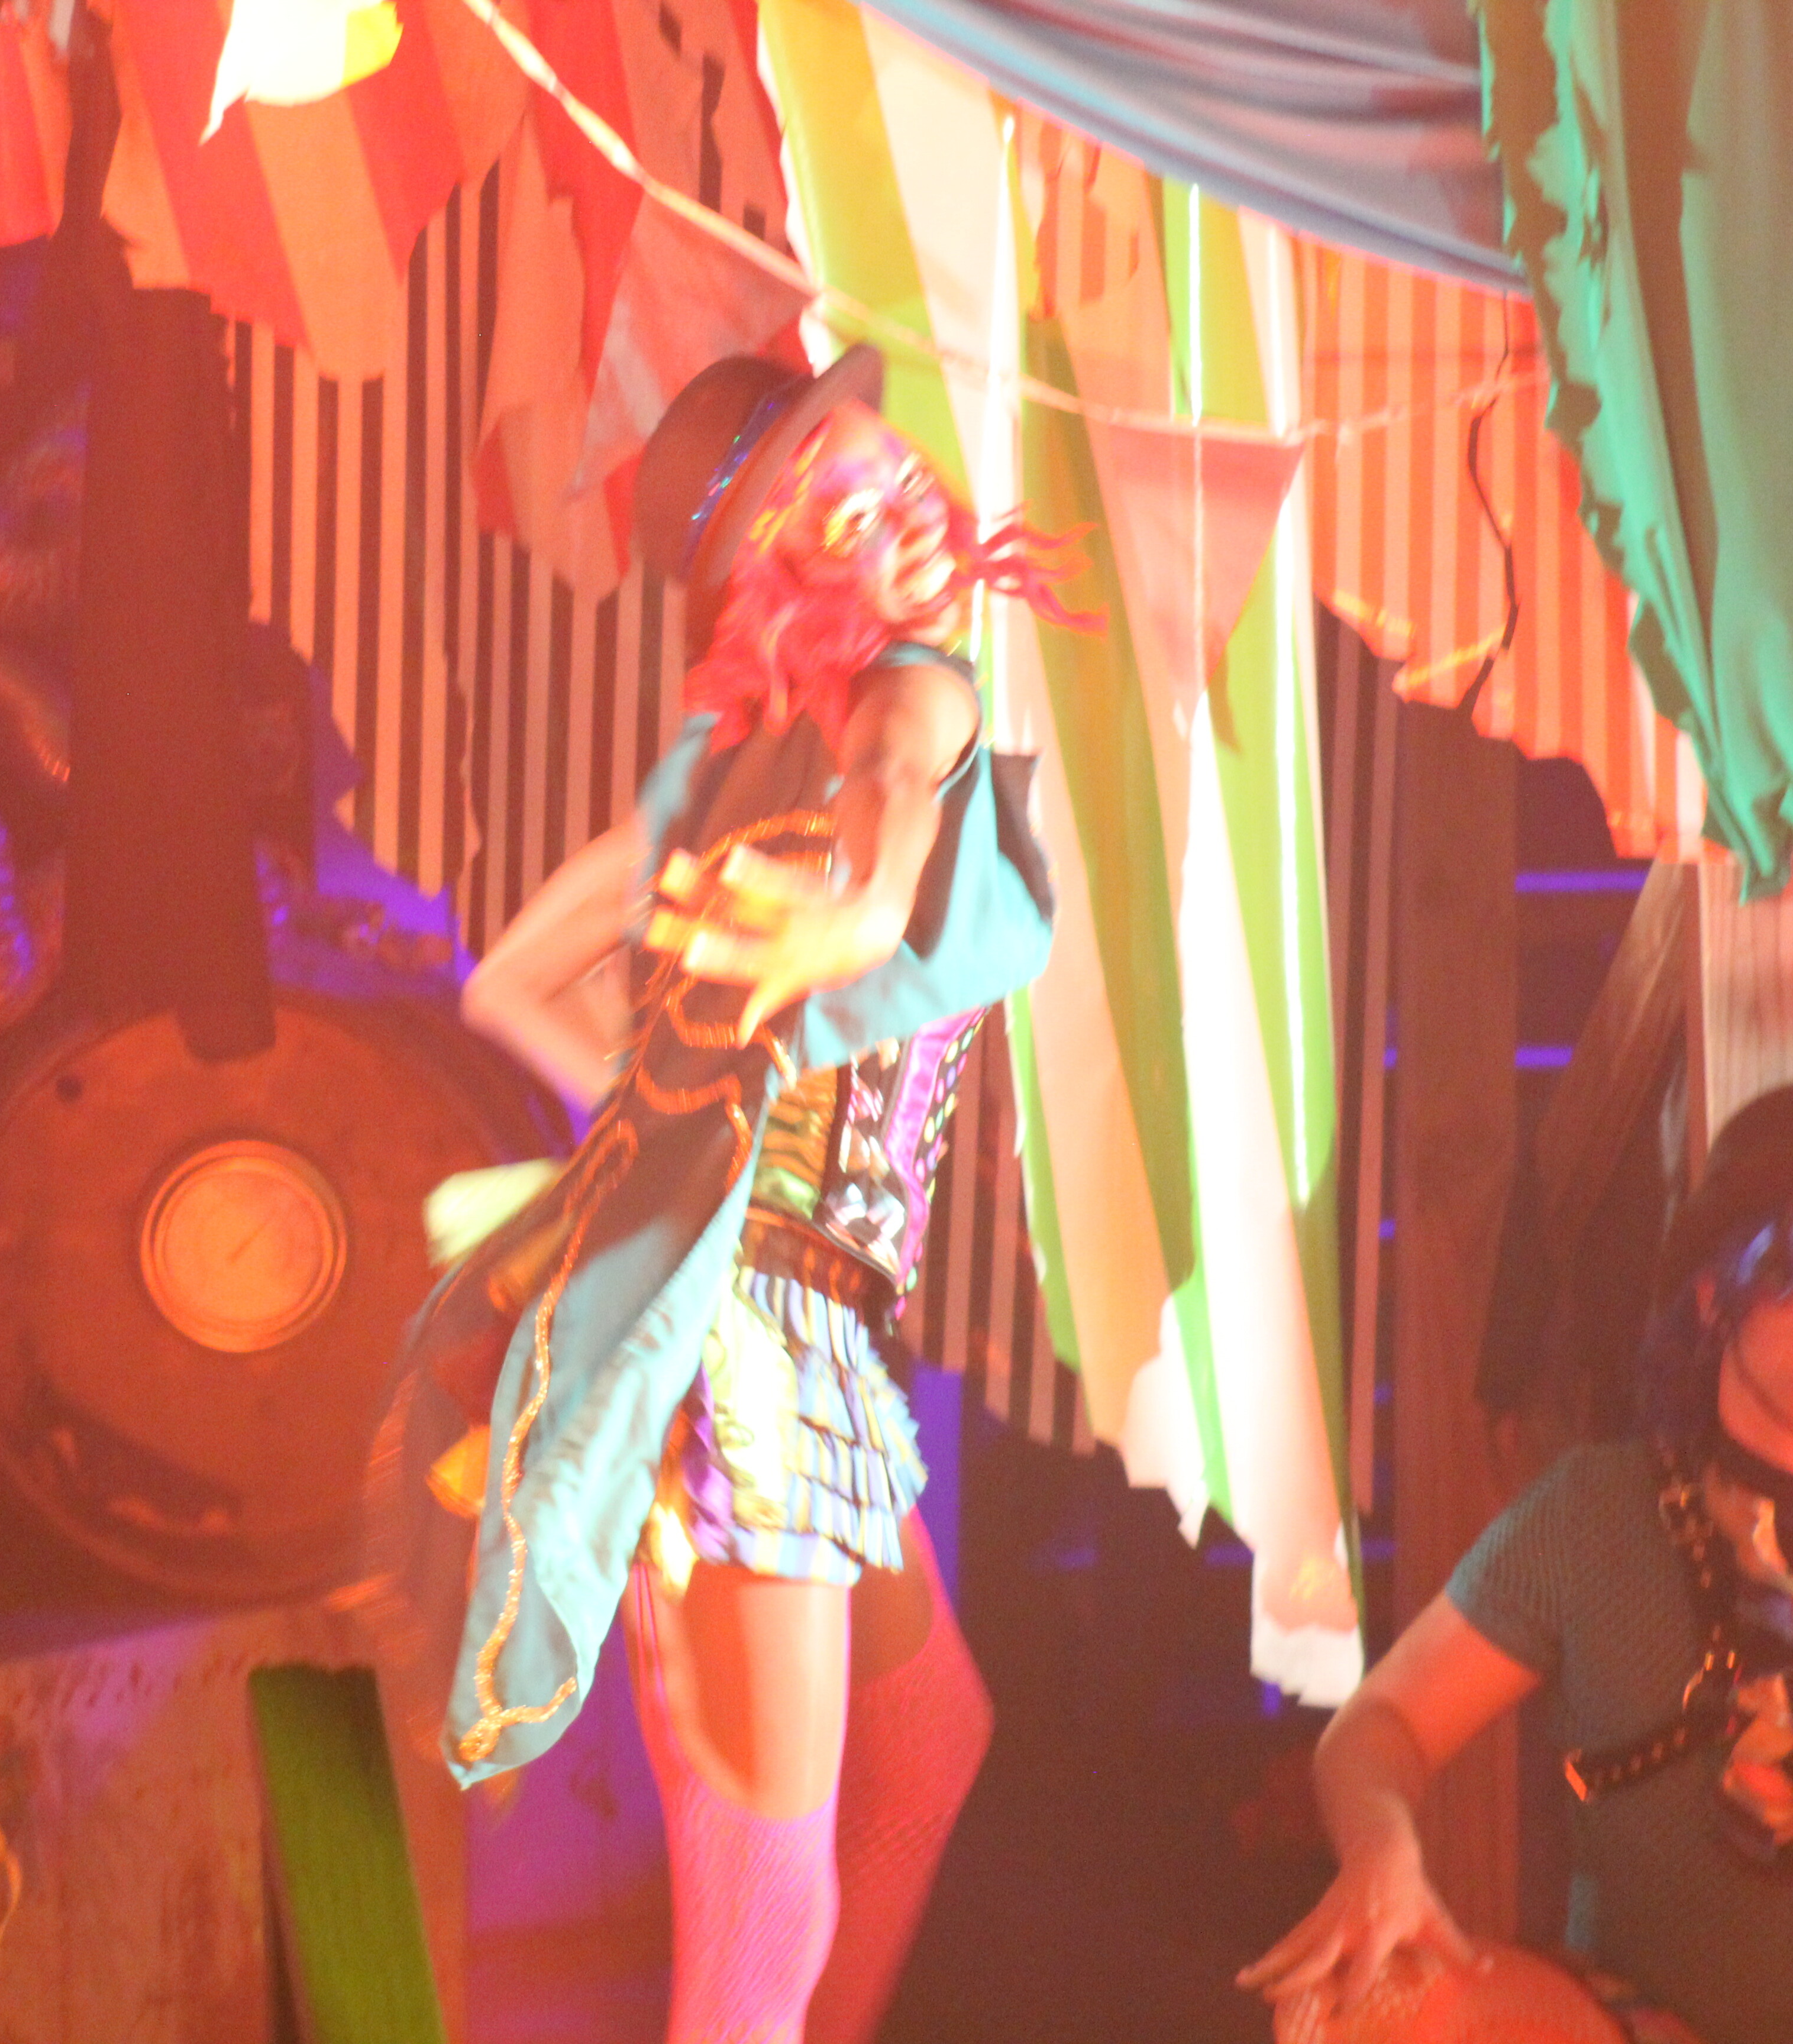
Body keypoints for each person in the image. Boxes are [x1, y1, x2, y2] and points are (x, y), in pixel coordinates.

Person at [377, 346, 1078, 2044]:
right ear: (784, 567)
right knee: (767, 1917)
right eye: (852, 503)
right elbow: (899, 776)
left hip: (812, 1339)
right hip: (750, 1349)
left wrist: (670, 1102)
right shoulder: (902, 699)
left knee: (927, 1745)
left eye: (899, 471)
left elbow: (525, 977)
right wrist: (861, 907)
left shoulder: (756, 771)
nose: (909, 507)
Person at [1240, 1092, 1793, 2044]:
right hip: (1642, 2024)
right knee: (1359, 2004)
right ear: (1715, 1295)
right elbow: (1381, 1727)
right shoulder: (1596, 1512)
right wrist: (1380, 1854)